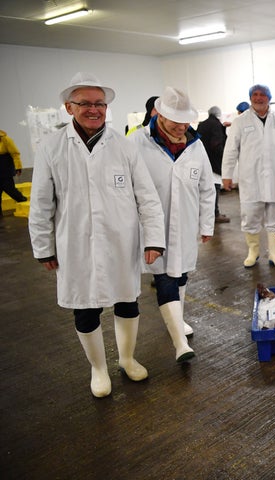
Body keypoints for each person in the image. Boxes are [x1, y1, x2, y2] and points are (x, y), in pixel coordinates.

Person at [28, 72, 166, 398]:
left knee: (127, 302)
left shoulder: (123, 145)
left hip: (122, 240)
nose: (94, 109)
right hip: (74, 242)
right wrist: (44, 248)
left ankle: (128, 359)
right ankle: (99, 369)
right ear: (68, 107)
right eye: (85, 104)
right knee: (86, 307)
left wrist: (153, 239)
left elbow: (147, 196)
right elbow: (41, 203)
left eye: (99, 103)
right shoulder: (51, 147)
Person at [128, 87, 215, 363]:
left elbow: (206, 188)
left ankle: (177, 319)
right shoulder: (135, 143)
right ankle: (180, 343)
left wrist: (207, 225)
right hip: (152, 227)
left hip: (186, 224)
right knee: (164, 277)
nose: (181, 127)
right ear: (159, 115)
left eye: (185, 121)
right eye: (174, 121)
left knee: (181, 275)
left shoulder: (195, 144)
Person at [221, 84, 275, 268]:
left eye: (263, 95)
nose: (258, 98)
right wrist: (226, 175)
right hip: (251, 179)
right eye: (255, 95)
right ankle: (253, 252)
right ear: (250, 98)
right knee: (250, 216)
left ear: (269, 98)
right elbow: (230, 150)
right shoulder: (240, 121)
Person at [197, 106, 230, 223]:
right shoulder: (216, 125)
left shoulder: (202, 124)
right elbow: (216, 144)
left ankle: (208, 213)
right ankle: (215, 214)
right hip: (213, 162)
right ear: (219, 114)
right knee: (214, 188)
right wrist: (224, 157)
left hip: (202, 160)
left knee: (205, 189)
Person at [0, 129, 27, 212]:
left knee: (10, 189)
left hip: (5, 169)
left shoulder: (6, 139)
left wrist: (18, 167)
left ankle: (22, 200)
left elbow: (15, 154)